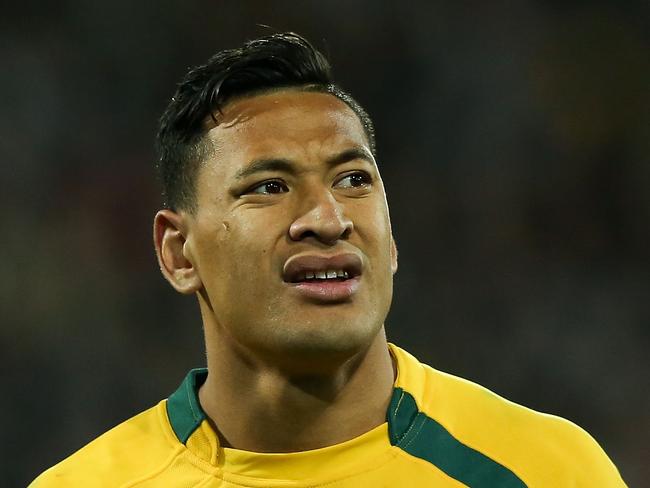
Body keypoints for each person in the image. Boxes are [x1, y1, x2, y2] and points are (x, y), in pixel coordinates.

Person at [31, 32, 626, 487]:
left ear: (391, 239)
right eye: (268, 186)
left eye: (352, 179)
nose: (327, 216)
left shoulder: (545, 469)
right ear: (179, 252)